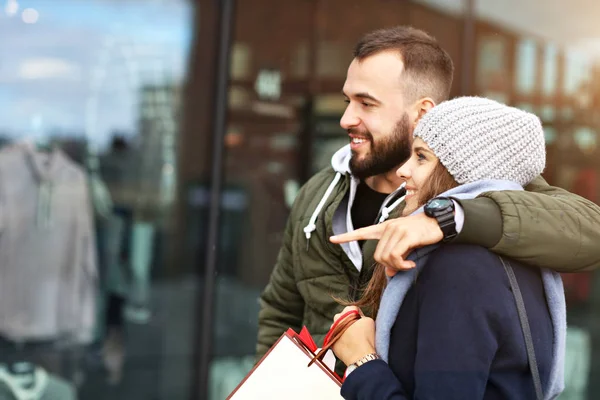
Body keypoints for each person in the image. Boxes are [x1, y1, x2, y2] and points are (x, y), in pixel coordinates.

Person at [256, 25, 600, 360]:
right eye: (348, 100)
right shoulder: (317, 193)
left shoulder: (474, 183)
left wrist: (452, 218)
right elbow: (280, 310)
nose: (346, 118)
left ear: (422, 113)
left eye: (366, 103)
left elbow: (591, 232)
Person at [330, 96, 566, 400]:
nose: (403, 170)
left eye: (421, 157)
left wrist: (362, 362)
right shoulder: (514, 256)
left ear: (465, 174)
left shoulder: (460, 271)